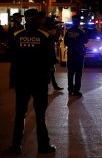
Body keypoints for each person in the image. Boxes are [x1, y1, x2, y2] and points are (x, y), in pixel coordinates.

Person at [9, 8, 56, 154]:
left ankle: (16, 146)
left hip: (22, 80)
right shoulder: (44, 36)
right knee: (40, 115)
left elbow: (13, 59)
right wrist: (48, 77)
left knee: (20, 113)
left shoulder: (17, 35)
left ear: (25, 20)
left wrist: (13, 80)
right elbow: (50, 60)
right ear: (37, 19)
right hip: (39, 81)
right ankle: (43, 146)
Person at [37, 12, 63, 93]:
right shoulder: (42, 29)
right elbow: (53, 39)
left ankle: (54, 86)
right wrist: (55, 31)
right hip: (46, 53)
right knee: (48, 70)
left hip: (48, 52)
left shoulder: (43, 28)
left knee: (51, 70)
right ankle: (46, 86)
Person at [64, 15, 88, 97]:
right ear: (78, 22)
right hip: (78, 54)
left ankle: (70, 89)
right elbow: (85, 41)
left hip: (70, 54)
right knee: (78, 73)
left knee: (70, 73)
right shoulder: (80, 31)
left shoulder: (68, 31)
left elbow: (65, 42)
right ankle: (76, 91)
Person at [7, 13, 24, 88]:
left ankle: (13, 82)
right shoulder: (18, 27)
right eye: (20, 17)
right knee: (15, 66)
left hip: (14, 49)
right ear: (16, 18)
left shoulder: (12, 27)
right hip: (17, 49)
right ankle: (14, 82)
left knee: (15, 66)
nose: (21, 19)